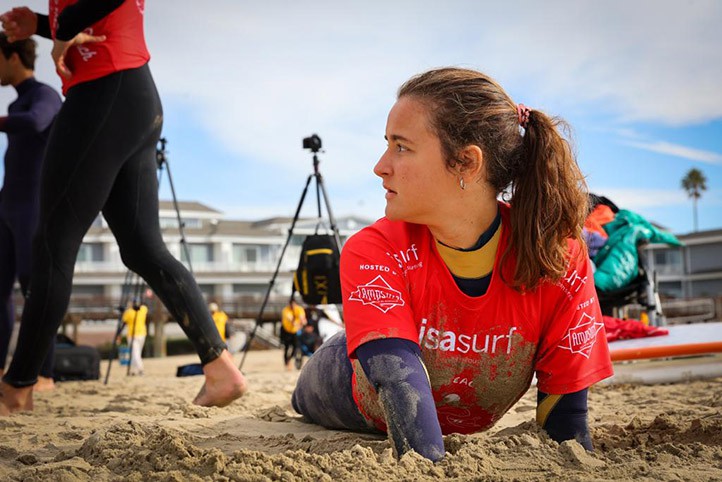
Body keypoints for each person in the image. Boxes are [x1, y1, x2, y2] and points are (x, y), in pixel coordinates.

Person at [292, 67, 614, 462]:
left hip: (445, 394)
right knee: (302, 398)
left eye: (401, 147)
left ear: (466, 162)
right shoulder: (373, 248)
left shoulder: (555, 255)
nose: (380, 166)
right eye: (386, 145)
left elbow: (567, 420)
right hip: (351, 380)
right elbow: (400, 390)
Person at [0, 1, 247, 414]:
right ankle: (221, 369)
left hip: (102, 93)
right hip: (131, 96)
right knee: (142, 248)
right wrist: (44, 25)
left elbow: (86, 14)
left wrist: (60, 32)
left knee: (52, 244)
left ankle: (18, 385)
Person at [0, 32, 62, 392]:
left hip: (32, 209)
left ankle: (45, 374)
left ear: (11, 56)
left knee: (34, 287)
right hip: (8, 205)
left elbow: (35, 122)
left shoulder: (45, 95)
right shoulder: (14, 105)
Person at [121, 299, 148, 376]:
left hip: (135, 334)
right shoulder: (142, 309)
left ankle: (138, 369)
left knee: (136, 353)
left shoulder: (128, 312)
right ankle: (135, 370)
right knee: (135, 353)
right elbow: (144, 305)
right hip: (138, 334)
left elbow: (123, 323)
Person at [280, 298, 305, 371]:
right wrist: (295, 322)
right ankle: (286, 363)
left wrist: (302, 321)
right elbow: (289, 317)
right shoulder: (286, 310)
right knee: (286, 348)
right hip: (286, 331)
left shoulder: (299, 309)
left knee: (295, 347)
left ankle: (289, 360)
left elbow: (302, 317)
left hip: (295, 331)